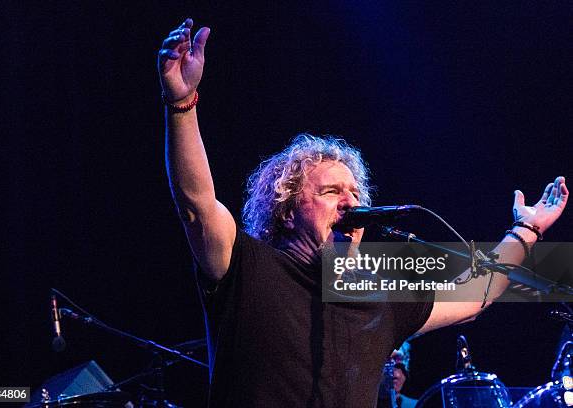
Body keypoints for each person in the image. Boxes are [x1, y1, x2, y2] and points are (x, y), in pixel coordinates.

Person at [157, 18, 569, 407]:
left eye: (355, 193)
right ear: (285, 210)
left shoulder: (380, 298)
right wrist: (182, 104)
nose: (351, 203)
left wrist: (527, 227)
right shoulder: (246, 267)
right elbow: (196, 205)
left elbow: (476, 294)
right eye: (331, 191)